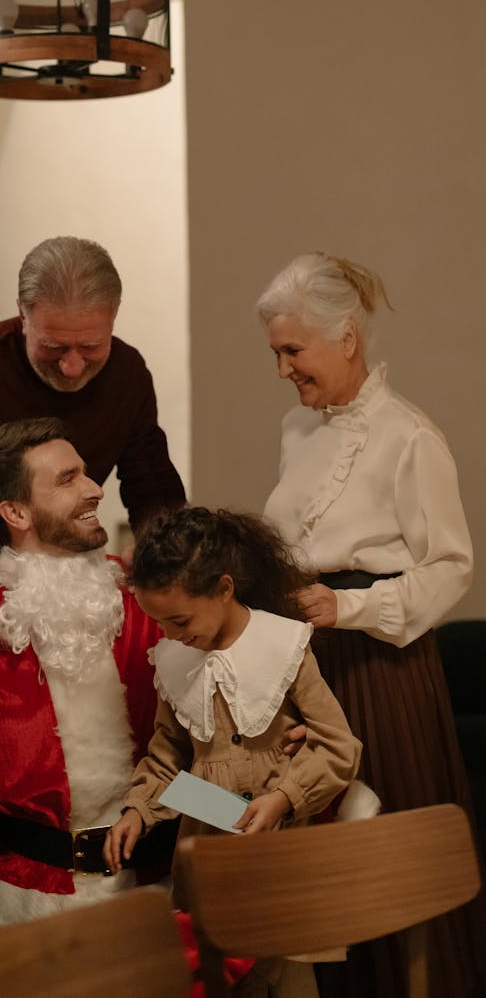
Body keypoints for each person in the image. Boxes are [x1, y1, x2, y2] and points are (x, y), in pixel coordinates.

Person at [256, 252, 485, 998]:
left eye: (294, 350)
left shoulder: (409, 437)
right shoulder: (297, 428)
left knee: (382, 851)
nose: (284, 368)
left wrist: (348, 606)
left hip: (380, 671)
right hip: (307, 656)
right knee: (315, 863)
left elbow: (451, 565)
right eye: (276, 352)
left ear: (347, 337)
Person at [104, 507, 361, 997]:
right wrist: (139, 809)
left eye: (180, 619)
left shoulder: (282, 645)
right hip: (211, 848)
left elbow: (337, 744)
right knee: (222, 978)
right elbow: (167, 757)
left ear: (223, 589)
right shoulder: (174, 658)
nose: (172, 634)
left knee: (289, 979)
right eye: (159, 623)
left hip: (282, 848)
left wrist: (285, 797)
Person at [0, 236, 185, 661]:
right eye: (52, 347)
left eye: (90, 347)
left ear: (113, 320)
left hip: (68, 591)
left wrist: (156, 551)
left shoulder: (128, 374)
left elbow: (152, 485)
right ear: (23, 315)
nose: (71, 365)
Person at [0, 416, 177, 929]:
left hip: (157, 888)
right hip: (24, 903)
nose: (96, 490)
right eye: (67, 479)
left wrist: (241, 809)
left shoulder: (155, 603)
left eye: (87, 473)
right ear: (15, 511)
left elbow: (198, 757)